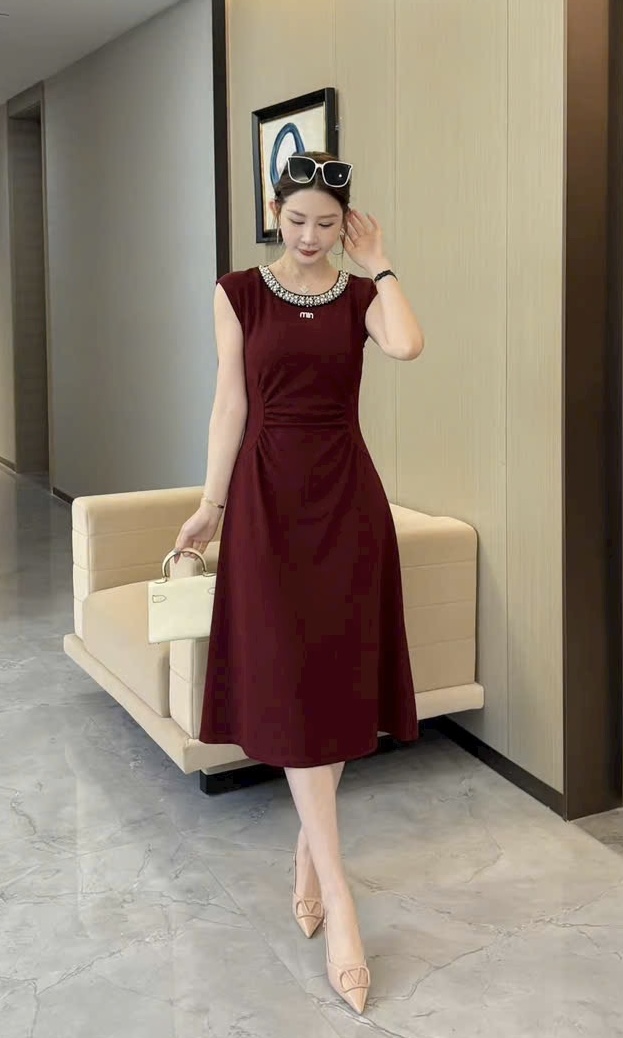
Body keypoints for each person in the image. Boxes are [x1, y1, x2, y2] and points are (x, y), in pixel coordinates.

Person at [174, 151, 425, 1015]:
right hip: (265, 502)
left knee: (335, 674)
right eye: (296, 220)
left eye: (326, 223)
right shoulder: (238, 292)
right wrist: (210, 506)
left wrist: (379, 262)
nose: (310, 237)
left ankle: (310, 857)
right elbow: (229, 404)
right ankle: (341, 899)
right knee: (286, 675)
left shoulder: (359, 297)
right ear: (273, 211)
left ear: (344, 224)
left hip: (347, 501)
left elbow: (407, 344)